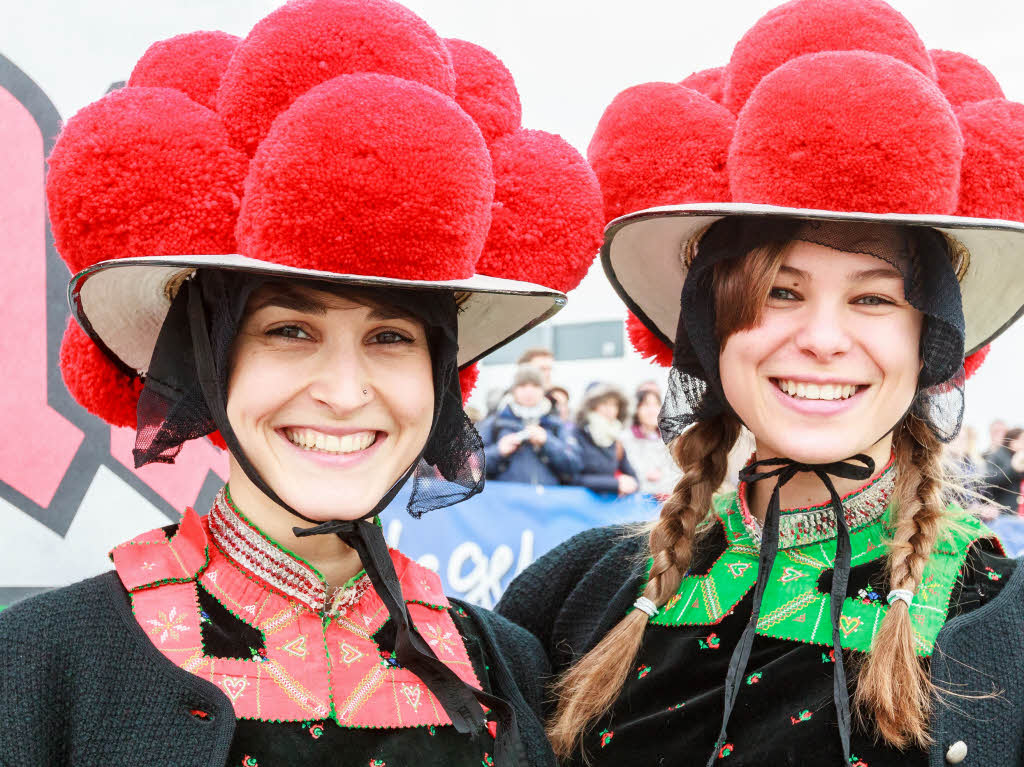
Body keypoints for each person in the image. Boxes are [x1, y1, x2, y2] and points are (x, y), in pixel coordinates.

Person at [0, 2, 604, 764]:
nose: (346, 390)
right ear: (210, 363)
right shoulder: (39, 663)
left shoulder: (510, 665)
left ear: (439, 378)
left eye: (390, 337)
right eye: (290, 330)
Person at [497, 3, 1024, 766]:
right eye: (780, 289)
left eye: (873, 297)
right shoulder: (580, 591)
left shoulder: (1001, 620)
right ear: (714, 331)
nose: (821, 337)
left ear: (929, 340)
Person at [482, 365, 582, 486]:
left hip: (548, 500)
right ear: (514, 390)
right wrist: (499, 451)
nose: (529, 391)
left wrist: (547, 442)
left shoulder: (557, 424)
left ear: (543, 391)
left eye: (535, 386)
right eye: (523, 386)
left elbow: (575, 465)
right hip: (505, 501)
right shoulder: (494, 423)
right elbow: (471, 468)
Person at [573, 384, 638, 496]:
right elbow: (572, 478)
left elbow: (634, 479)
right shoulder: (577, 435)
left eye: (614, 405)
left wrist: (629, 484)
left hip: (607, 507)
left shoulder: (615, 440)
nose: (610, 410)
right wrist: (615, 484)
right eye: (604, 403)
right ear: (591, 406)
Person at [619, 385, 681, 497]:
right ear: (636, 409)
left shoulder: (670, 438)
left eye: (656, 404)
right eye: (646, 405)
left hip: (669, 499)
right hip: (639, 500)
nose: (652, 410)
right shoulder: (626, 438)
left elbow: (676, 472)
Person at [979, 426, 1024, 515]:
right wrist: (1013, 468)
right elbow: (989, 480)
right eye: (1022, 440)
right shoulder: (997, 456)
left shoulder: (1018, 457)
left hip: (1017, 512)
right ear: (1012, 441)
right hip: (1002, 512)